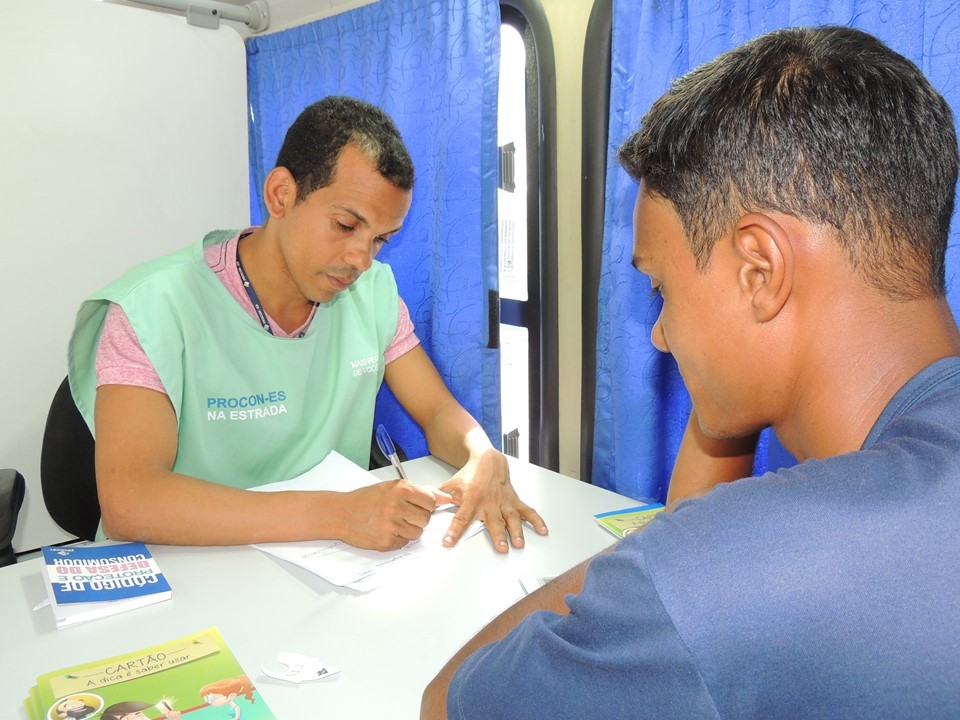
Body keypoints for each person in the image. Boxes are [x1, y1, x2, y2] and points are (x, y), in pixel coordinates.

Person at [422, 25, 960, 718]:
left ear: (759, 271)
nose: (660, 334)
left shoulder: (727, 576)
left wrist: (660, 564)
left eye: (661, 290)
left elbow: (447, 703)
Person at [68, 96, 547, 552]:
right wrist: (337, 516)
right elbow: (130, 502)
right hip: (184, 571)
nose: (360, 259)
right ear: (281, 194)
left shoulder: (373, 292)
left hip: (319, 568)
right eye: (344, 226)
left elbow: (439, 414)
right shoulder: (150, 308)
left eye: (380, 239)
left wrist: (480, 453)